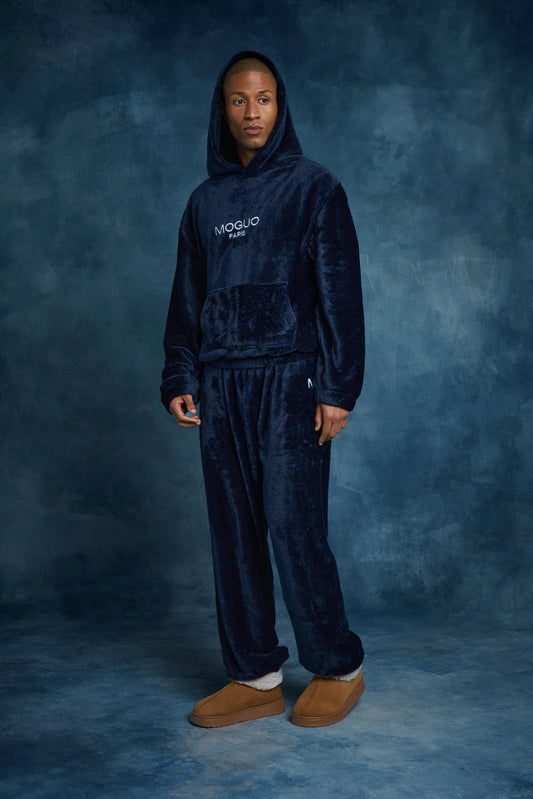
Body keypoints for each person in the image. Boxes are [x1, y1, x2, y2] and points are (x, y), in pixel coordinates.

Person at [161, 50, 366, 728]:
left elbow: (340, 297)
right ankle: (254, 674)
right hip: (221, 385)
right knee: (234, 533)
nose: (252, 112)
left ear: (281, 106)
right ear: (221, 111)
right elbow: (186, 300)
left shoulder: (314, 188)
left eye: (264, 99)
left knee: (293, 526)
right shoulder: (204, 202)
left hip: (289, 381)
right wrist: (180, 373)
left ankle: (337, 666)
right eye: (238, 100)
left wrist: (336, 388)